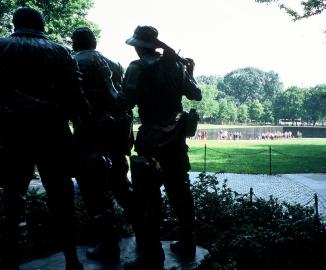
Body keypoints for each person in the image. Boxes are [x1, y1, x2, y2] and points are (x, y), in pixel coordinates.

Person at [0, 7, 90, 270]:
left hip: (13, 132)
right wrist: (82, 129)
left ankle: (9, 259)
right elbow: (78, 97)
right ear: (41, 25)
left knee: (13, 197)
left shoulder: (2, 47)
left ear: (15, 24)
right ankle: (72, 260)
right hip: (53, 133)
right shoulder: (60, 51)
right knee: (62, 198)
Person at [110, 25, 202, 270]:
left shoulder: (137, 67)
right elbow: (196, 94)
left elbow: (124, 103)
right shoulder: (177, 65)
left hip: (151, 139)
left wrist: (114, 87)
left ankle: (151, 255)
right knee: (180, 191)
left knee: (148, 197)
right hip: (176, 140)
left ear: (140, 46)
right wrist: (190, 71)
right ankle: (187, 242)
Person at [71, 27, 134, 263]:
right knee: (120, 183)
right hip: (115, 135)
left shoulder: (72, 61)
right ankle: (142, 230)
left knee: (93, 191)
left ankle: (108, 245)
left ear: (75, 42)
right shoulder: (115, 63)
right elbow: (121, 99)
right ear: (94, 42)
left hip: (88, 136)